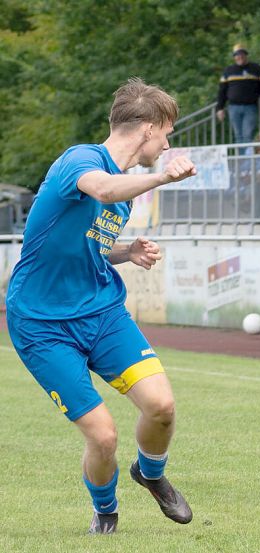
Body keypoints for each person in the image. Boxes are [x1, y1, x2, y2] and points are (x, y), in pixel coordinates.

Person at [5, 78, 198, 534]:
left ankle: (149, 474)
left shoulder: (122, 186)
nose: (167, 145)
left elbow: (85, 243)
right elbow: (105, 189)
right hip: (42, 324)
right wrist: (163, 177)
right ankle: (106, 512)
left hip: (101, 313)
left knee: (162, 406)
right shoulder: (81, 160)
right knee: (104, 435)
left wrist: (126, 252)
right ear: (148, 128)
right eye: (166, 133)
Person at [217, 44, 260, 144]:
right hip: (233, 108)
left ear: (246, 55)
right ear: (234, 57)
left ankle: (247, 155)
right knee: (238, 136)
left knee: (248, 135)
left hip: (250, 107)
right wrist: (220, 108)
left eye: (242, 54)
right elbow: (222, 91)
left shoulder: (256, 69)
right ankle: (242, 155)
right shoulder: (228, 71)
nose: (240, 57)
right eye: (237, 55)